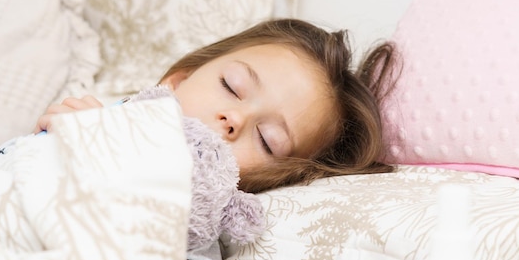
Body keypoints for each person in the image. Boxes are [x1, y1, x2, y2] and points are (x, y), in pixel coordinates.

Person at [35, 18, 400, 193]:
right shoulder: (98, 116)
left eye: (267, 140)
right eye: (231, 86)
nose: (234, 118)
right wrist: (52, 134)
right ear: (179, 80)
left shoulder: (197, 237)